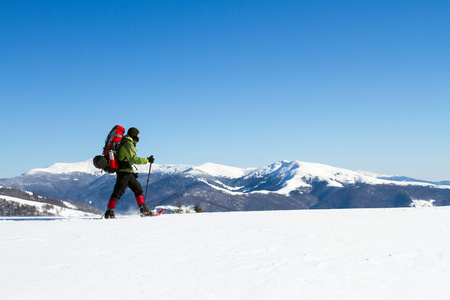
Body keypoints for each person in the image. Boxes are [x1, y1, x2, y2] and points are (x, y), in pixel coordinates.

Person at [104, 127, 155, 219]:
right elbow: (133, 159)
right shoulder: (128, 143)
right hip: (124, 172)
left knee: (138, 188)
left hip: (127, 171)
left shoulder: (127, 142)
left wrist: (131, 172)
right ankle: (109, 212)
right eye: (138, 135)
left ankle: (144, 209)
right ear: (134, 134)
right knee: (118, 192)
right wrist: (147, 160)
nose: (139, 137)